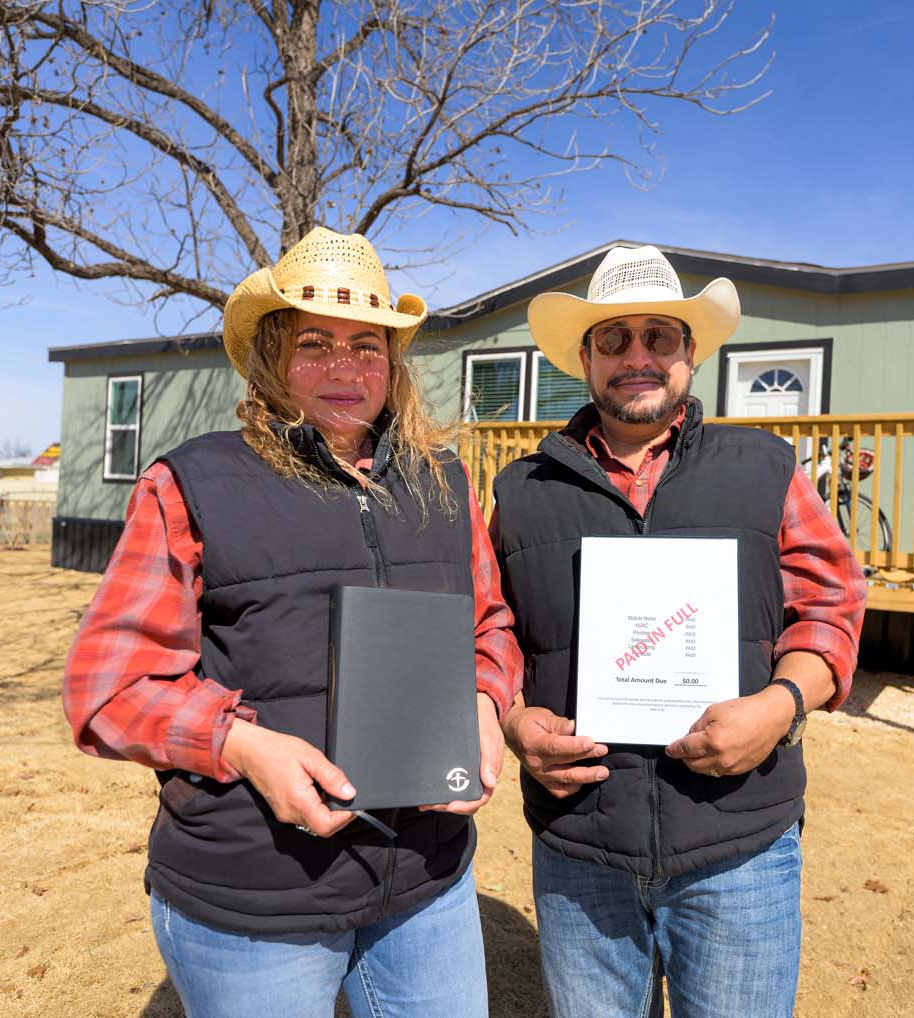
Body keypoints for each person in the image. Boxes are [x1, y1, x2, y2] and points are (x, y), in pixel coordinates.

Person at [62, 227, 521, 1018]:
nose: (345, 368)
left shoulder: (442, 483)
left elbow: (490, 627)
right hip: (257, 890)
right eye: (316, 344)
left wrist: (484, 701)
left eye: (367, 347)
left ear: (392, 363)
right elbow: (109, 687)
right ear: (272, 357)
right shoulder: (193, 483)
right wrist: (242, 743)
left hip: (424, 877)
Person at [488, 244, 868, 1017]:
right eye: (612, 339)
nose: (637, 356)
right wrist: (510, 719)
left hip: (739, 849)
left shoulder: (763, 468)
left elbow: (831, 606)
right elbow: (490, 631)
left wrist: (780, 706)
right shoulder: (521, 491)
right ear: (585, 360)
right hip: (579, 847)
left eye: (658, 336)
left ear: (689, 355)